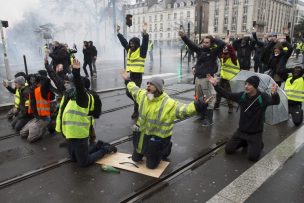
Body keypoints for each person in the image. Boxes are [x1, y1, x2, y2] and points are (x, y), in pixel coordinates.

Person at [121, 70, 211, 169]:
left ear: (158, 88)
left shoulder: (168, 103)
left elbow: (183, 110)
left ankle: (165, 148)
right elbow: (134, 89)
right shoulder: (143, 96)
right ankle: (144, 151)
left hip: (157, 140)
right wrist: (127, 80)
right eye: (147, 84)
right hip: (142, 136)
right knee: (135, 159)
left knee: (151, 166)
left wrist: (198, 105)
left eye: (151, 84)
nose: (148, 86)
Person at [56, 59, 116, 167]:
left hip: (79, 135)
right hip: (70, 133)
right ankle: (98, 145)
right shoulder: (71, 95)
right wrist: (58, 73)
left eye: (73, 84)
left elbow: (79, 87)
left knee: (84, 163)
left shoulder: (82, 98)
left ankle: (105, 149)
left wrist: (76, 72)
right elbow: (63, 83)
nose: (70, 85)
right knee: (74, 159)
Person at [208, 74, 280, 161]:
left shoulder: (263, 97)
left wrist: (274, 94)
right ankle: (245, 142)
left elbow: (275, 102)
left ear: (255, 86)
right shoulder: (242, 96)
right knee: (228, 150)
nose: (246, 86)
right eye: (245, 84)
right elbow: (227, 95)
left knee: (252, 157)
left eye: (249, 84)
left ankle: (259, 143)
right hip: (241, 131)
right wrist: (216, 85)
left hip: (255, 133)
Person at [179, 29, 225, 126]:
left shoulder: (213, 52)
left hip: (207, 79)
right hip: (198, 78)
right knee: (199, 98)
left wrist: (213, 38)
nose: (204, 44)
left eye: (207, 42)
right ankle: (202, 114)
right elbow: (191, 44)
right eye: (204, 42)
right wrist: (183, 36)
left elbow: (221, 44)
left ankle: (209, 119)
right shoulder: (200, 50)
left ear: (211, 43)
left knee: (209, 98)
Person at [117, 23, 149, 119]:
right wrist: (118, 33)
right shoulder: (130, 50)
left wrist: (144, 33)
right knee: (129, 93)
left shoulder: (142, 51)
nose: (130, 45)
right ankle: (141, 101)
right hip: (130, 75)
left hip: (138, 76)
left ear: (137, 44)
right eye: (130, 43)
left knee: (134, 93)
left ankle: (136, 111)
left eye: (132, 43)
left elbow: (145, 43)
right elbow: (123, 42)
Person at [20, 72, 54, 142]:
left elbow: (47, 81)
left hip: (44, 117)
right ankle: (41, 127)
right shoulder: (33, 89)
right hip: (37, 117)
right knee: (22, 133)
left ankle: (42, 129)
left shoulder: (42, 90)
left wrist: (39, 77)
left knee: (30, 138)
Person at [214, 36, 240, 113]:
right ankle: (217, 104)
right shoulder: (223, 57)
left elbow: (232, 53)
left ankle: (230, 107)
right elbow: (219, 51)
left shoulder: (233, 58)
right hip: (222, 78)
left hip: (230, 79)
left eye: (226, 49)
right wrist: (215, 40)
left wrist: (228, 45)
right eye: (224, 48)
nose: (225, 49)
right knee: (218, 92)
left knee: (229, 94)